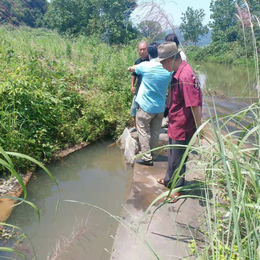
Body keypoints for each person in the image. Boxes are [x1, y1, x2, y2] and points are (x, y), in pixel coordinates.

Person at [156, 42, 202, 202]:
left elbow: (194, 104)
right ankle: (169, 180)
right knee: (172, 155)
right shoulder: (177, 72)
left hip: (183, 126)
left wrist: (198, 127)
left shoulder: (185, 75)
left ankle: (177, 189)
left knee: (179, 158)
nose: (162, 67)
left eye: (162, 63)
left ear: (169, 60)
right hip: (175, 123)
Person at [128, 43, 171, 165]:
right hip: (160, 108)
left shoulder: (145, 65)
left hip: (146, 107)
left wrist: (129, 68)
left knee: (142, 131)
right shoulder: (168, 69)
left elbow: (133, 68)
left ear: (149, 53)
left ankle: (147, 158)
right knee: (155, 133)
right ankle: (152, 154)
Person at [130, 42, 149, 132]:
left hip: (147, 90)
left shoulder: (150, 61)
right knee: (134, 108)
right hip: (138, 89)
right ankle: (135, 126)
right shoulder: (137, 62)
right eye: (140, 49)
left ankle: (145, 127)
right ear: (138, 51)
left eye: (144, 49)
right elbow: (134, 74)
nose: (142, 51)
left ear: (147, 50)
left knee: (145, 109)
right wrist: (132, 85)